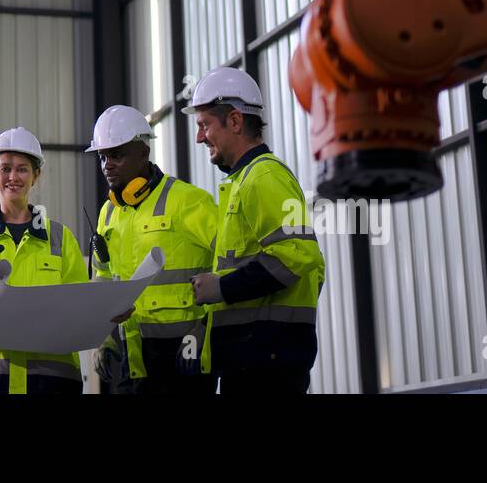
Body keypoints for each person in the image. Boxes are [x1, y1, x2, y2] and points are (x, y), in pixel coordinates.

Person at [184, 66, 325, 395]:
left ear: (234, 121)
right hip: (256, 357)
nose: (199, 137)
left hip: (266, 361)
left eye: (204, 125)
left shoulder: (263, 178)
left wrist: (221, 288)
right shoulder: (246, 181)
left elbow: (296, 255)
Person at [0, 127, 88, 394]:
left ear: (36, 175)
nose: (13, 177)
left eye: (22, 169)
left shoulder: (59, 238)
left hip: (50, 381)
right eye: (5, 168)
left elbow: (80, 303)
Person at [87, 105, 218, 394]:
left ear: (143, 153)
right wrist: (104, 337)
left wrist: (205, 334)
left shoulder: (188, 201)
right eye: (102, 156)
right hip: (131, 361)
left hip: (184, 359)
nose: (107, 164)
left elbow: (229, 266)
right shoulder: (108, 213)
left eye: (117, 154)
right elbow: (103, 280)